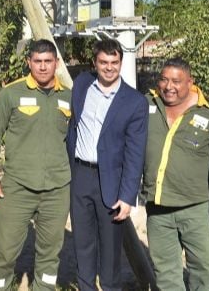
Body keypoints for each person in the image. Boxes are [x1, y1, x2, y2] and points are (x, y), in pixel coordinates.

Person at [0, 39, 72, 290]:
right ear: (29, 62)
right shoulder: (11, 94)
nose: (43, 67)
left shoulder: (68, 96)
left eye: (48, 62)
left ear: (56, 63)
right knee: (4, 254)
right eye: (38, 61)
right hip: (16, 187)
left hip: (57, 189)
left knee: (49, 256)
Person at [66, 38, 148, 291]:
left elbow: (135, 153)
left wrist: (127, 196)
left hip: (112, 182)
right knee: (82, 244)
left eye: (114, 62)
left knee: (111, 252)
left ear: (121, 63)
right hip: (80, 175)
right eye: (104, 62)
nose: (109, 68)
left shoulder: (134, 102)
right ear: (95, 63)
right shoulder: (81, 84)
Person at [142, 57, 209, 290]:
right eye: (163, 79)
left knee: (202, 269)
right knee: (166, 272)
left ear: (190, 82)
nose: (168, 86)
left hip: (195, 206)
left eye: (176, 81)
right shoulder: (147, 104)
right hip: (158, 207)